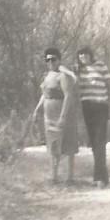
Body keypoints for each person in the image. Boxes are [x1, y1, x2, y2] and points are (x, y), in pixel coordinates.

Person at [33, 48, 79, 184]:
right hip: (49, 116)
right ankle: (54, 176)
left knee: (68, 144)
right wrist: (37, 110)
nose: (51, 62)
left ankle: (70, 177)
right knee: (53, 146)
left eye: (53, 59)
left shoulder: (63, 76)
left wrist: (63, 117)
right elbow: (45, 95)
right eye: (48, 59)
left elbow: (68, 96)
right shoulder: (48, 76)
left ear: (59, 60)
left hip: (62, 114)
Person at [76, 45, 110, 188]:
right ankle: (103, 175)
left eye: (85, 55)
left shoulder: (101, 66)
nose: (83, 57)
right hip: (87, 107)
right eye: (81, 55)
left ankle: (99, 178)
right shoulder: (79, 69)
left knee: (100, 140)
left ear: (91, 55)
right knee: (93, 141)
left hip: (101, 105)